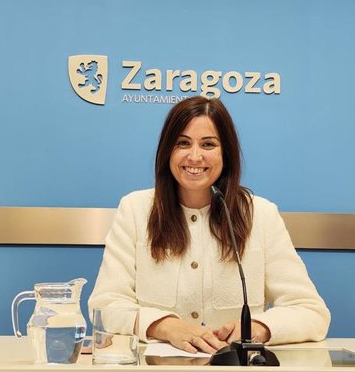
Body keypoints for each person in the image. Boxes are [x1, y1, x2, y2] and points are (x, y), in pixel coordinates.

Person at [88, 97, 330, 354]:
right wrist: (166, 326)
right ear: (167, 150)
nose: (194, 156)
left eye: (208, 144)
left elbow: (311, 311)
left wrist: (258, 327)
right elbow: (105, 306)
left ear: (225, 153)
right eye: (182, 143)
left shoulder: (260, 214)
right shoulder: (135, 209)